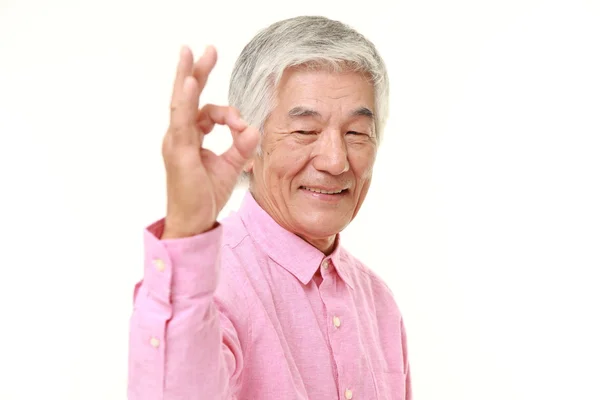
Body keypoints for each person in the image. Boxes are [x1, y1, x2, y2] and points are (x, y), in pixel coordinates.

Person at [128, 15, 412, 400]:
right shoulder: (208, 284)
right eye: (305, 131)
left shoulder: (379, 303)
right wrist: (186, 228)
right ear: (247, 145)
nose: (335, 161)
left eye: (356, 133)